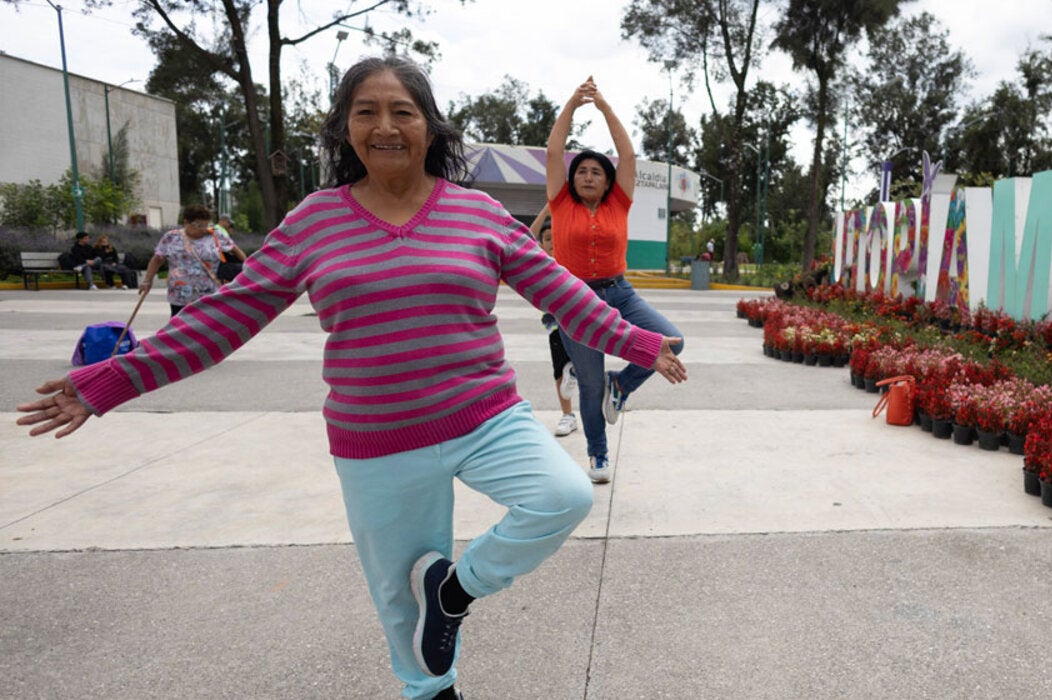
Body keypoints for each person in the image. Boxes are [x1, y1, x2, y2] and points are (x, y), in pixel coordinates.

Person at [15, 55, 686, 700]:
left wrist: (641, 343)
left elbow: (564, 293)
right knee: (398, 600)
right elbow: (226, 316)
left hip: (488, 418)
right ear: (345, 130)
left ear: (430, 126)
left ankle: (454, 591)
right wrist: (110, 381)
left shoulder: (478, 214)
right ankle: (430, 691)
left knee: (564, 496)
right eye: (367, 112)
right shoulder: (315, 221)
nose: (386, 126)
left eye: (403, 111)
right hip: (378, 437)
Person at [546, 76, 685, 484]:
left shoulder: (619, 203)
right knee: (589, 385)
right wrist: (572, 102)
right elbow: (555, 151)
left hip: (619, 292)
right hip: (574, 300)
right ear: (572, 180)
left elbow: (626, 155)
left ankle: (621, 386)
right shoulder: (560, 202)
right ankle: (598, 455)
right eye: (582, 171)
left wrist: (603, 107)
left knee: (673, 340)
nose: (588, 177)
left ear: (608, 182)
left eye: (596, 172)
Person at [530, 206, 580, 437]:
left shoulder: (572, 258)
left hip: (580, 321)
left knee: (582, 366)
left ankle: (578, 375)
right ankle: (568, 415)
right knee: (559, 371)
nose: (552, 242)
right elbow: (527, 236)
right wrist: (546, 210)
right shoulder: (540, 261)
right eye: (547, 239)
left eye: (556, 238)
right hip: (555, 325)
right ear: (541, 244)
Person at [138, 205, 238, 316]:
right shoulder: (171, 237)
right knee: (179, 329)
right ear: (186, 222)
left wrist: (246, 269)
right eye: (199, 225)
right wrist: (148, 280)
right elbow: (157, 258)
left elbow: (235, 250)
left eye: (206, 225)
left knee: (207, 329)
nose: (203, 229)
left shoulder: (215, 235)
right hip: (179, 295)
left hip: (208, 295)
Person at [214, 216, 249, 283]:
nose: (229, 225)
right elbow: (234, 248)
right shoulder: (219, 231)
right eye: (228, 223)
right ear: (222, 221)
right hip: (221, 263)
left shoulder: (218, 229)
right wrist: (247, 262)